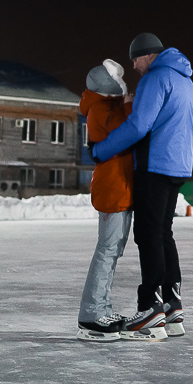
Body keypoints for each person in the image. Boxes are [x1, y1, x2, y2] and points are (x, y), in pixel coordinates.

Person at [94, 33, 193, 340]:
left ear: (147, 55)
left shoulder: (156, 78)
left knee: (148, 234)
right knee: (164, 233)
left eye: (135, 60)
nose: (135, 67)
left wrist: (102, 149)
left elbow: (139, 125)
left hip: (155, 164)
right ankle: (171, 302)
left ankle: (150, 308)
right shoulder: (186, 81)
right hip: (178, 165)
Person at [76, 60, 137, 342]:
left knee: (113, 250)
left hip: (119, 187)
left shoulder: (104, 106)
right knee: (107, 250)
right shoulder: (101, 108)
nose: (123, 82)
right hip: (112, 188)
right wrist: (128, 104)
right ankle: (91, 314)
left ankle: (101, 307)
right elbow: (125, 131)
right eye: (117, 79)